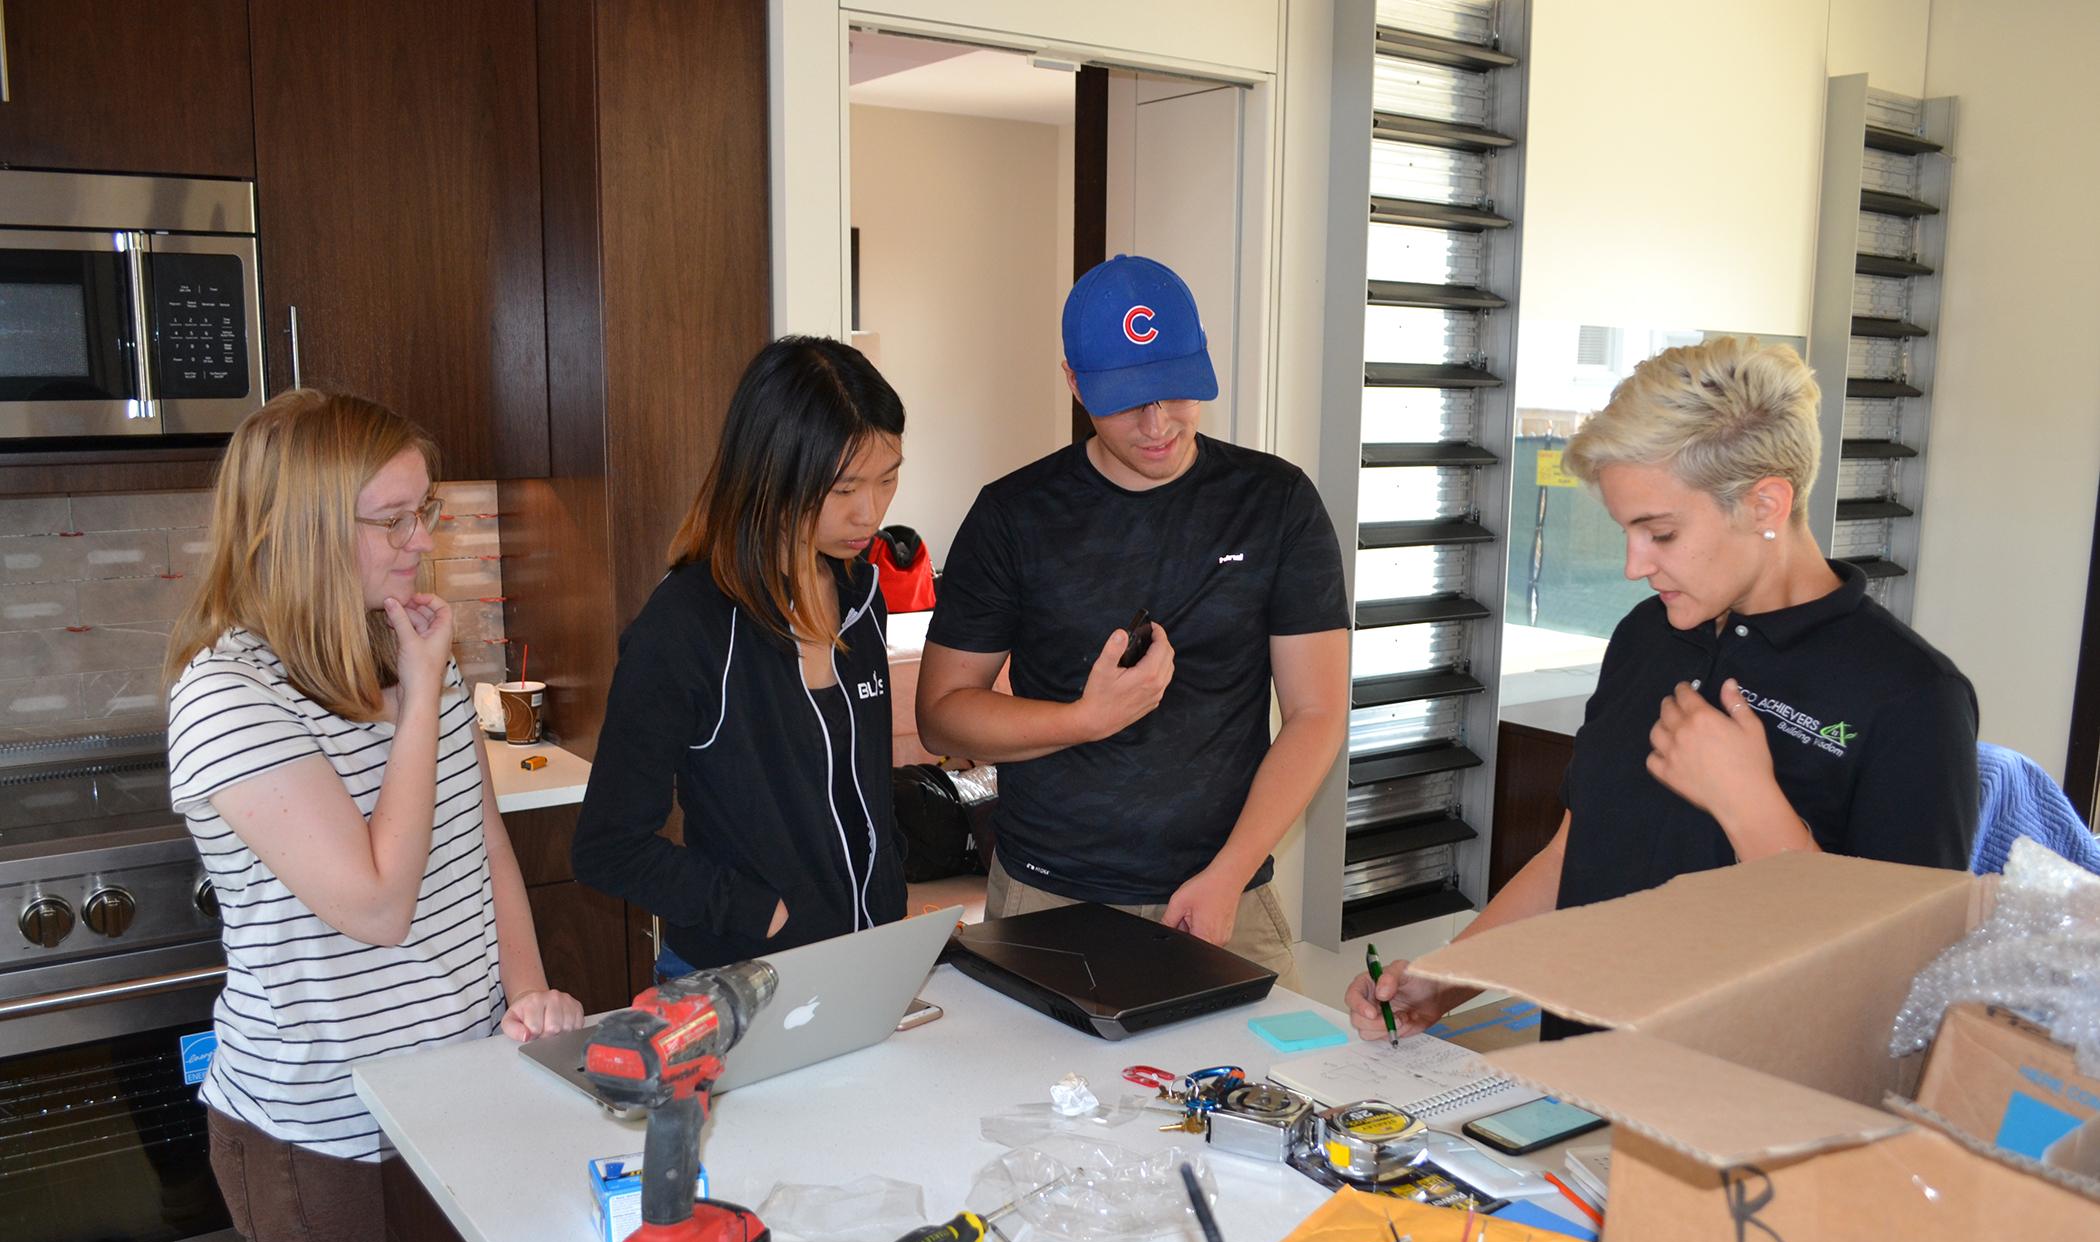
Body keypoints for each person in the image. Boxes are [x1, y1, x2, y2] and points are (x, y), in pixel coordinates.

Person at [1346, 337, 1980, 1040]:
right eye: (1626, 532)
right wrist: (1447, 978)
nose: (1632, 565)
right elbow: (1576, 850)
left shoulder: (1911, 697)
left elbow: (1906, 984)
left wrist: (1752, 808)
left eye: (1663, 534)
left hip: (1738, 1111)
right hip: (1576, 1080)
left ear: (1766, 502)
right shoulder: (1649, 634)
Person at [163, 389, 585, 1242]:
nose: (421, 540)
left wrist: (528, 1000)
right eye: (392, 519)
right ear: (302, 530)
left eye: (424, 510)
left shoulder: (405, 647)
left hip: (465, 1087)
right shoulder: (226, 697)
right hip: (324, 1134)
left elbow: (483, 850)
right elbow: (380, 898)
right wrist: (423, 684)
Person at [916, 255, 1350, 974]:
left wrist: (1229, 875)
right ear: (1074, 382)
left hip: (1225, 896)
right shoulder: (1014, 515)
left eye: (1176, 391)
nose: (1157, 425)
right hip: (1047, 897)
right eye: (1126, 400)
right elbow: (940, 715)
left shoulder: (1276, 503)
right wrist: (1082, 720)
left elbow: (1317, 712)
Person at [571, 336, 908, 974]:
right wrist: (757, 912)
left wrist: (889, 888)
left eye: (888, 479)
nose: (872, 511)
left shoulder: (862, 595)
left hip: (867, 969)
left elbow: (859, 792)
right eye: (843, 490)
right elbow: (607, 847)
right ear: (772, 476)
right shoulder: (687, 625)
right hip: (740, 980)